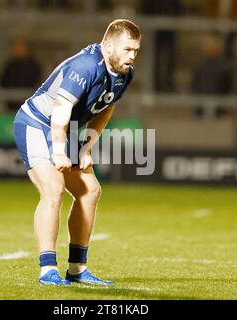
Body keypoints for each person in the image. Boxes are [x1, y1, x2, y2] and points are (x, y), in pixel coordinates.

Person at [13, 19, 141, 286]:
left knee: (90, 191)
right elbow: (59, 113)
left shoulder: (125, 73)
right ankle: (47, 269)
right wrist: (60, 152)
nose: (132, 56)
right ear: (107, 46)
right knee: (54, 188)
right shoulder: (84, 67)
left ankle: (77, 269)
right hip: (37, 123)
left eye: (136, 51)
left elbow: (107, 108)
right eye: (127, 49)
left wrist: (86, 147)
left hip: (65, 128)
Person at [191, 34, 233, 118]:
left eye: (212, 47)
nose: (210, 49)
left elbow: (227, 86)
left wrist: (222, 100)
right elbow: (195, 85)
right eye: (208, 47)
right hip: (201, 102)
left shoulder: (224, 67)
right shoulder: (200, 66)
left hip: (218, 102)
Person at [0, 39, 42, 112]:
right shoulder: (10, 65)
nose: (18, 50)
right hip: (12, 102)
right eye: (16, 48)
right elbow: (3, 80)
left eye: (20, 47)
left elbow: (37, 80)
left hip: (28, 100)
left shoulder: (33, 65)